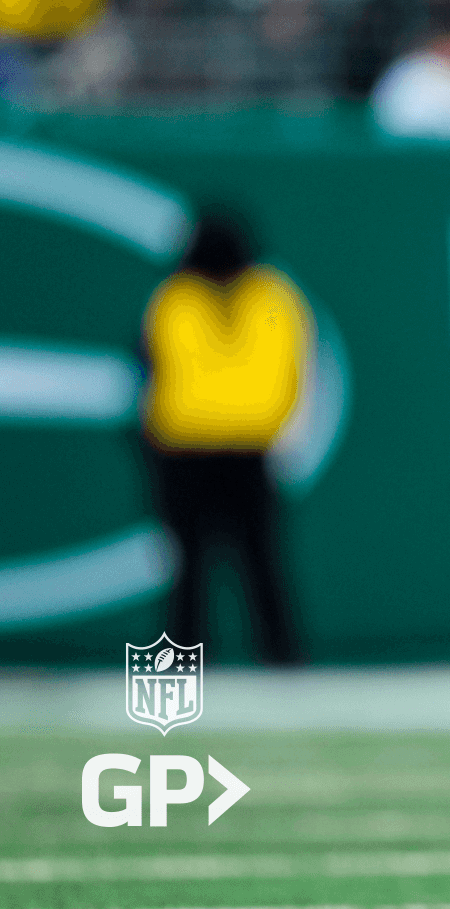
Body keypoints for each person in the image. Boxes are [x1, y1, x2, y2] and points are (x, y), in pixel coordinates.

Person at [142, 211, 310, 665]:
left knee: (208, 567)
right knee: (248, 565)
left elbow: (148, 376)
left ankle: (190, 662)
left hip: (194, 451)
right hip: (237, 450)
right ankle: (283, 663)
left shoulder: (175, 299)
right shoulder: (271, 297)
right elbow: (297, 372)